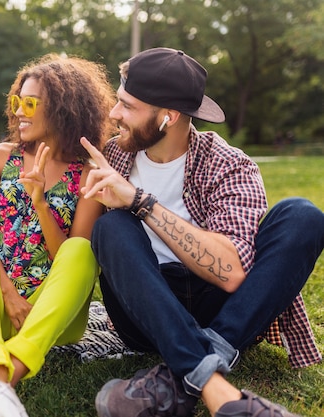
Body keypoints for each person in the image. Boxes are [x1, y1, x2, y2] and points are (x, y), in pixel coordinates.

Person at [80, 47, 324, 417]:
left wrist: (139, 201)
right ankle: (214, 384)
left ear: (169, 116)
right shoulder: (112, 157)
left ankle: (184, 372)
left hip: (220, 307)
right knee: (111, 226)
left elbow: (230, 273)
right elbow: (86, 244)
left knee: (302, 215)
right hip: (143, 311)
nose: (115, 114)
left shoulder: (228, 164)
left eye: (128, 106)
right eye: (119, 101)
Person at [0, 54, 115, 417]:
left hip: (52, 317)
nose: (19, 111)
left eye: (30, 103)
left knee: (82, 251)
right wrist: (8, 294)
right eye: (16, 101)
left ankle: (0, 379)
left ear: (63, 109)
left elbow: (67, 262)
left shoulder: (86, 174)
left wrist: (40, 201)